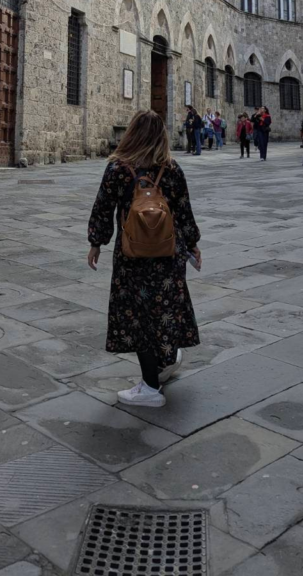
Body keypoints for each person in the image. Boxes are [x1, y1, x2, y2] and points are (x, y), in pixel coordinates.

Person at [87, 110, 201, 408]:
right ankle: (167, 360)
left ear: (132, 133)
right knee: (165, 309)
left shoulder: (118, 169)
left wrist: (96, 242)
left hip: (133, 255)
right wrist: (193, 243)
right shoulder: (171, 168)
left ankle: (150, 388)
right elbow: (184, 210)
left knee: (138, 318)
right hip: (168, 253)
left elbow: (103, 208)